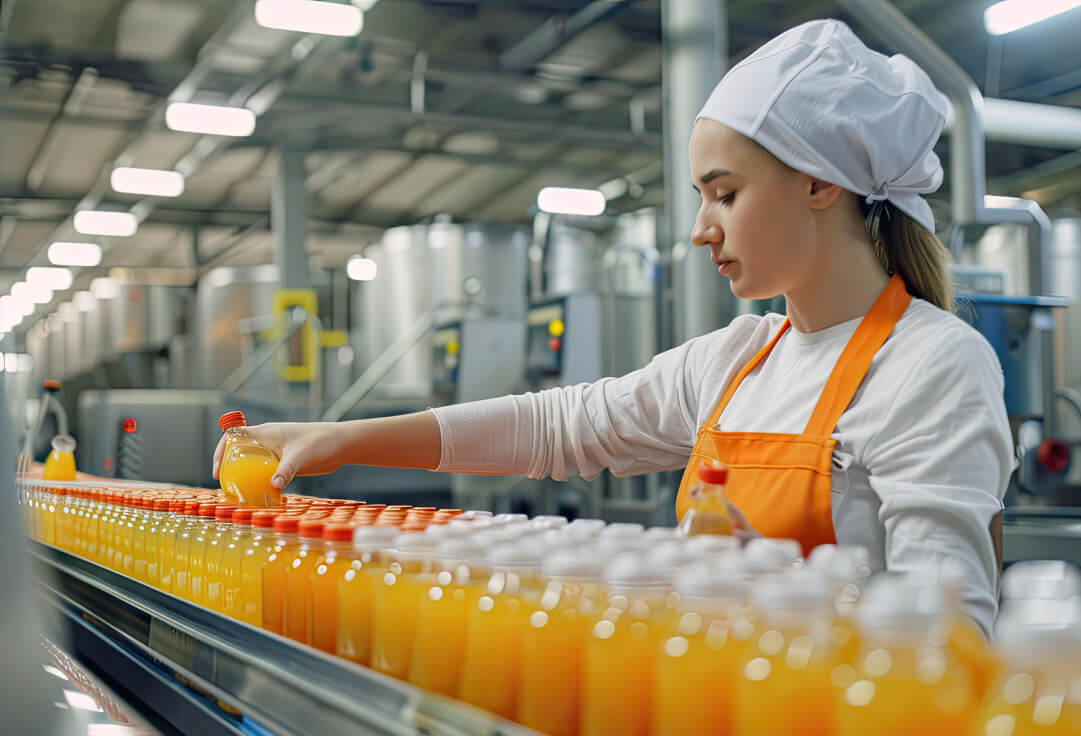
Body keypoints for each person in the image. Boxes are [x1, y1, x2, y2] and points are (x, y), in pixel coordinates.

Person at [212, 20, 1015, 634]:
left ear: (819, 183)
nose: (700, 229)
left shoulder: (930, 363)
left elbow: (954, 632)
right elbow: (559, 425)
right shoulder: (739, 359)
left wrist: (784, 592)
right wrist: (342, 439)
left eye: (725, 194)